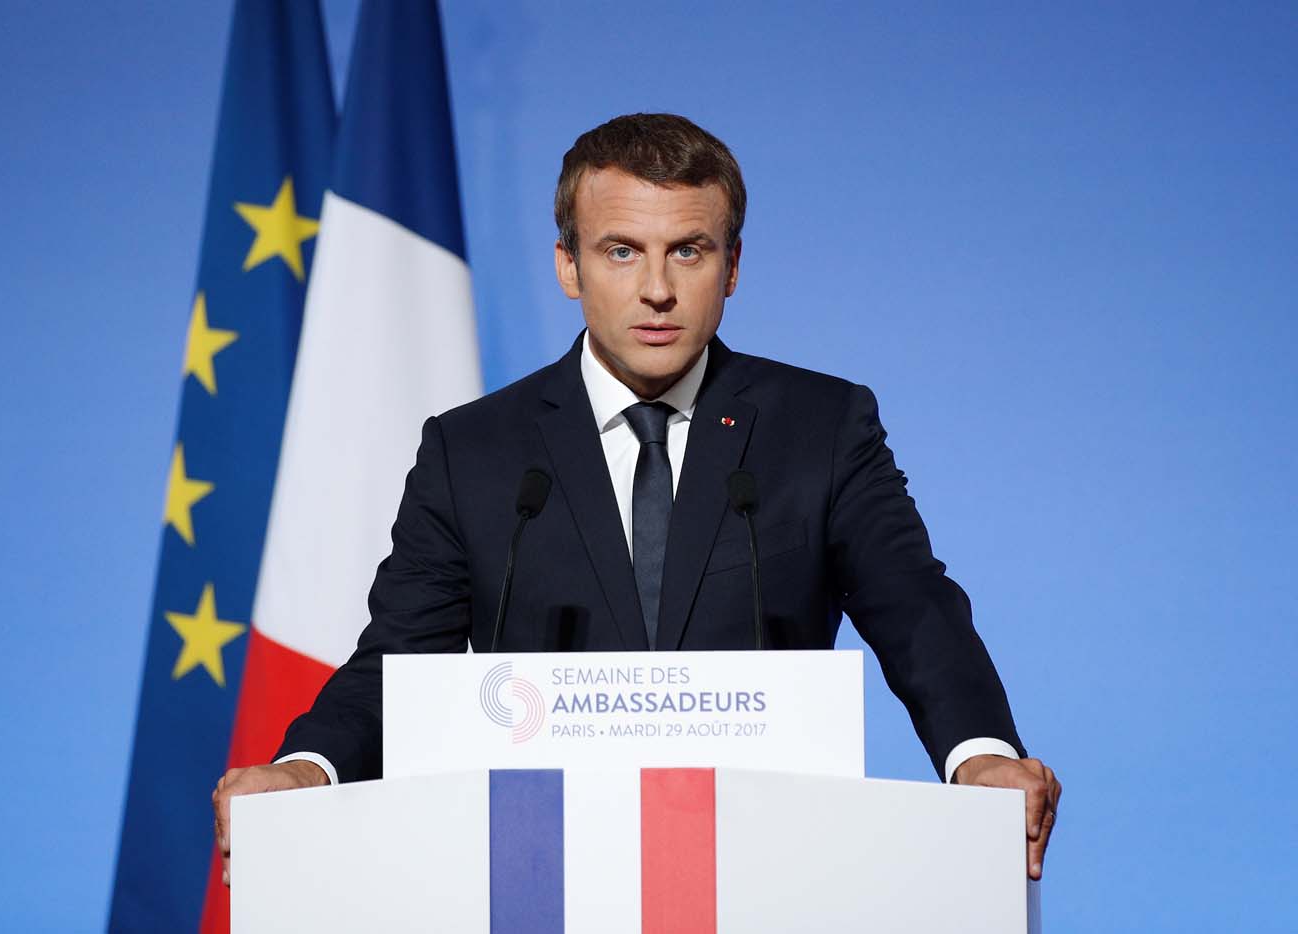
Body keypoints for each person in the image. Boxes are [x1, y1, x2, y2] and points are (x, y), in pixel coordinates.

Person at [213, 113, 1061, 885]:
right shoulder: (473, 450)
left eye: (688, 250)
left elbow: (914, 606)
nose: (657, 288)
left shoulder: (822, 427)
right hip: (542, 876)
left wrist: (979, 754)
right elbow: (397, 663)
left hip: (769, 871)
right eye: (621, 250)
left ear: (731, 268)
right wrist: (306, 769)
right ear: (568, 266)